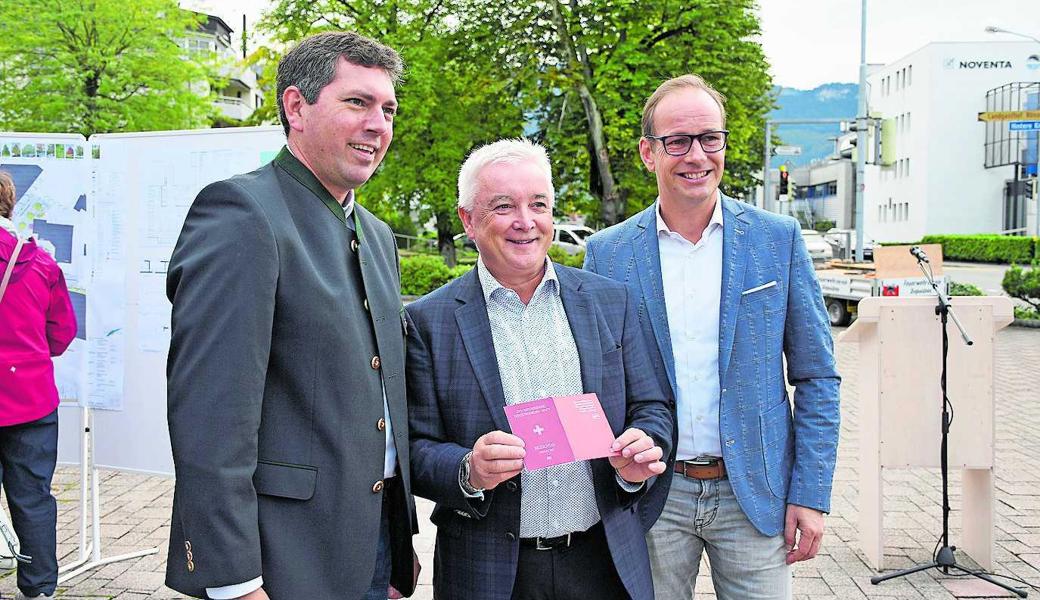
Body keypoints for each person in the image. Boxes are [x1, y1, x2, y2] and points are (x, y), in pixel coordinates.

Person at [164, 32, 416, 600]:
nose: (379, 124)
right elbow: (210, 418)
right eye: (357, 102)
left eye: (388, 108)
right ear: (296, 107)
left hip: (370, 550)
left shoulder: (374, 235)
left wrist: (394, 553)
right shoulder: (240, 213)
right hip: (281, 560)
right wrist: (234, 581)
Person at [584, 74, 841, 599]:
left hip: (757, 492)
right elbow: (595, 380)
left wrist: (810, 493)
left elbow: (817, 376)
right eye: (677, 141)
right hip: (652, 491)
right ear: (648, 153)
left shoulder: (778, 241)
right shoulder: (607, 255)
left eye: (709, 138)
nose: (695, 155)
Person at [406, 139, 672, 600]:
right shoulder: (430, 321)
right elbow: (413, 448)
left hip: (603, 561)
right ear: (468, 220)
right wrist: (468, 469)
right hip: (490, 571)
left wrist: (639, 454)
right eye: (503, 206)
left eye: (538, 204)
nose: (525, 222)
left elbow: (653, 407)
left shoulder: (611, 302)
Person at [0, 170, 77, 600]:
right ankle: (39, 587)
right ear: (10, 204)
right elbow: (61, 333)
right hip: (30, 399)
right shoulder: (41, 262)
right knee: (31, 496)